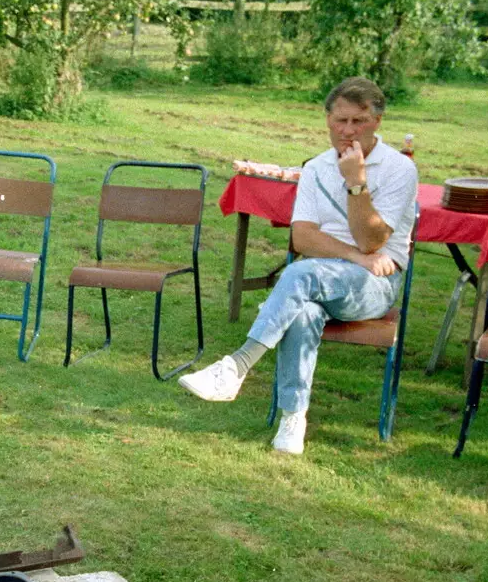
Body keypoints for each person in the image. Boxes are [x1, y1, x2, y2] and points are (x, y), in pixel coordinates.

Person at [178, 77, 418, 455]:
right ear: (327, 118)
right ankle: (294, 419)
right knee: (303, 311)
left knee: (299, 274)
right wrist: (355, 256)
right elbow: (303, 238)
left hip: (375, 285)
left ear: (378, 121)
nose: (348, 130)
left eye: (359, 121)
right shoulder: (317, 168)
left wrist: (356, 182)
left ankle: (237, 367)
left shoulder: (398, 170)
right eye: (341, 120)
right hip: (324, 277)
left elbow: (373, 240)